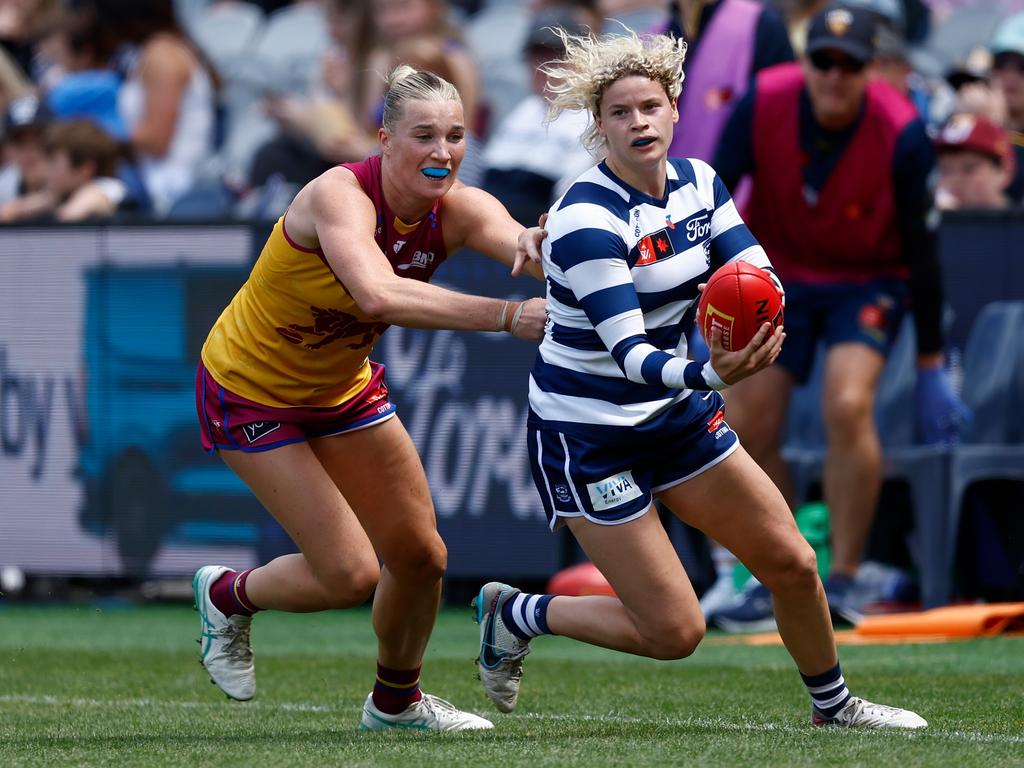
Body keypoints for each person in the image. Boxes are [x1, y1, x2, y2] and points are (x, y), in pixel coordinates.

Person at [473, 26, 927, 730]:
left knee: (793, 563)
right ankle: (519, 611)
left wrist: (760, 311)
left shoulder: (701, 182)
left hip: (673, 414)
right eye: (620, 112)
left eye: (650, 106)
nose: (638, 122)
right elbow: (631, 354)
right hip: (591, 433)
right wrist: (711, 372)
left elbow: (754, 266)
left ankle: (834, 708)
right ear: (598, 126)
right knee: (675, 632)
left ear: (675, 108)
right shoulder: (588, 219)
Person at [192, 65, 547, 733]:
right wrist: (506, 315)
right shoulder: (339, 195)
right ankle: (225, 595)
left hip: (341, 388)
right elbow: (378, 295)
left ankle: (396, 705)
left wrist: (563, 243)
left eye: (455, 136)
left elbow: (526, 248)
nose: (442, 153)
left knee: (422, 557)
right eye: (423, 136)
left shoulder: (462, 208)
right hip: (250, 391)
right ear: (383, 138)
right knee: (349, 575)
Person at [708, 5, 969, 630]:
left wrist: (931, 362)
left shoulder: (902, 131)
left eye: (848, 65)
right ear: (806, 62)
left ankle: (846, 577)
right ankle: (783, 569)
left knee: (847, 405)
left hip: (867, 280)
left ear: (870, 69)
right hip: (777, 272)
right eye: (823, 60)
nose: (834, 75)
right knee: (748, 415)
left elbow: (923, 252)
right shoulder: (762, 102)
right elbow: (709, 199)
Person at [934, 112, 1017, 210]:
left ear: (1004, 171)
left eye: (969, 169)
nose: (956, 178)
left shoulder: (1019, 223)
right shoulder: (932, 220)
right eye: (946, 170)